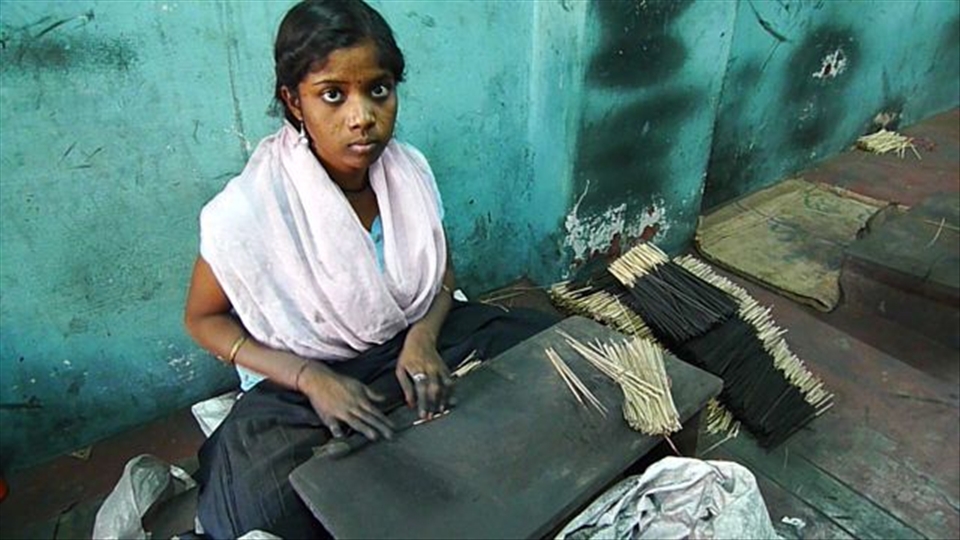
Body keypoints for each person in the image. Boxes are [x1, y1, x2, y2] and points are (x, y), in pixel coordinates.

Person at [183, 1, 558, 537]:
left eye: (378, 90)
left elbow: (441, 271)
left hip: (409, 343)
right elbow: (202, 321)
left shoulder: (409, 174)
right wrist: (310, 378)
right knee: (250, 517)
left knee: (553, 352)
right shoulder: (251, 210)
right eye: (332, 95)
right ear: (294, 102)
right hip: (304, 380)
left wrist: (424, 338)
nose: (361, 116)